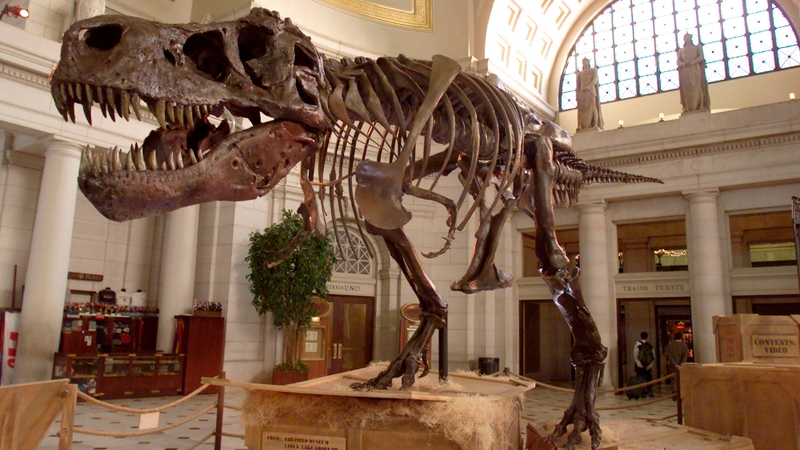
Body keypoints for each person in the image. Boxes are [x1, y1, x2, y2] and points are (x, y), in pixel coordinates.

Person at [677, 33, 710, 113]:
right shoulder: (681, 50)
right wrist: (684, 64)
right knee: (686, 89)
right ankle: (687, 107)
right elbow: (678, 61)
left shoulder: (697, 47)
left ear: (691, 38)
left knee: (698, 87)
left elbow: (701, 57)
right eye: (685, 37)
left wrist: (693, 62)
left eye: (688, 37)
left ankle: (701, 105)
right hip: (686, 71)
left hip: (694, 69)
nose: (687, 39)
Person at [576, 58, 604, 131]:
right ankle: (580, 126)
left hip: (590, 91)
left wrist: (588, 86)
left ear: (588, 62)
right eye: (583, 61)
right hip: (582, 93)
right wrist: (577, 94)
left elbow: (595, 79)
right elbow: (578, 86)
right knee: (581, 109)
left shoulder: (593, 70)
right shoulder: (580, 74)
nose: (584, 63)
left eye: (586, 61)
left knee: (593, 107)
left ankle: (595, 124)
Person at [665, 331, 689, 398]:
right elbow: (684, 357)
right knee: (681, 378)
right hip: (681, 366)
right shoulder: (684, 345)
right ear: (681, 338)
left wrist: (675, 364)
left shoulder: (669, 346)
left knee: (673, 379)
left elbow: (670, 357)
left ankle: (674, 393)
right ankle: (681, 392)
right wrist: (681, 365)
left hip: (673, 365)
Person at [633, 331, 655, 397]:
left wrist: (639, 364)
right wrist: (650, 366)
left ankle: (641, 392)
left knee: (640, 379)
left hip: (640, 365)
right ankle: (649, 391)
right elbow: (653, 356)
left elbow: (635, 355)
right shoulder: (650, 346)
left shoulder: (637, 345)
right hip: (647, 364)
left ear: (640, 336)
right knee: (648, 378)